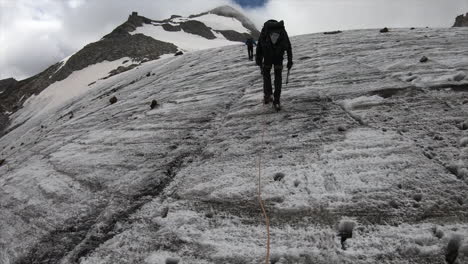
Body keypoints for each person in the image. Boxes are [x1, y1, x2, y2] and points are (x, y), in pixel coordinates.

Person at [256, 20, 293, 111]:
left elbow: (259, 46)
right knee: (278, 77)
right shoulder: (282, 30)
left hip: (267, 57)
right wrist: (290, 60)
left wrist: (259, 60)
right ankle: (277, 100)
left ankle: (268, 95)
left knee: (266, 76)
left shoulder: (265, 30)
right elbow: (288, 46)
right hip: (278, 58)